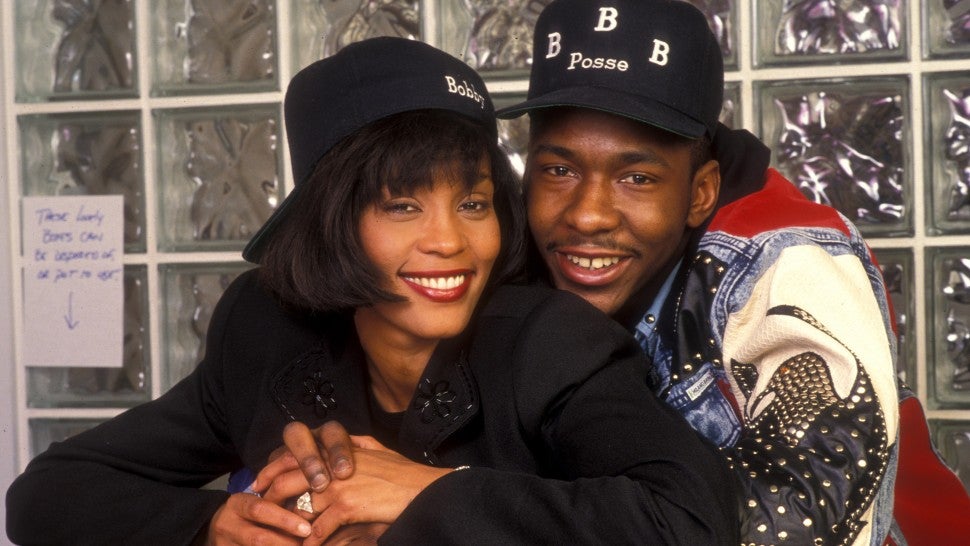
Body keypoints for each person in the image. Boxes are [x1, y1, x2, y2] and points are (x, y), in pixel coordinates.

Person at [5, 36, 739, 545]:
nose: (450, 241)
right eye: (402, 205)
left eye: (473, 202)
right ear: (331, 221)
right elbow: (48, 495)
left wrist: (426, 491)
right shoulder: (265, 329)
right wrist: (215, 528)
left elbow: (690, 521)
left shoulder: (548, 341)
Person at [284, 1, 970, 545]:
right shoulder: (495, 240)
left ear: (700, 191)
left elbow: (784, 527)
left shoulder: (788, 263)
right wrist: (325, 484)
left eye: (636, 177)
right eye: (559, 168)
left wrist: (437, 500)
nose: (587, 215)